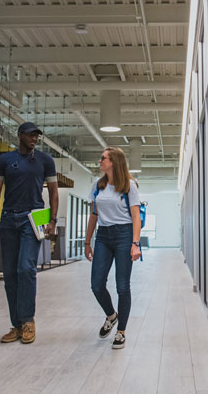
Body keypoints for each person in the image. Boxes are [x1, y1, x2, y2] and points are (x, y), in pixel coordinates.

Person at [0, 122, 58, 345]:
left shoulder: (46, 160)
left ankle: (28, 321)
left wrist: (52, 220)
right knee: (10, 273)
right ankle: (16, 325)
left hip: (33, 218)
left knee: (26, 268)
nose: (34, 138)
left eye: (37, 136)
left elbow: (54, 193)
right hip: (8, 218)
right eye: (30, 135)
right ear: (19, 136)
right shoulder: (6, 160)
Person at [84, 147, 142, 349]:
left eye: (103, 158)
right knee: (96, 284)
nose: (99, 161)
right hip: (103, 236)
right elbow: (94, 215)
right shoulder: (97, 186)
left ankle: (121, 331)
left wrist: (135, 243)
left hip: (124, 235)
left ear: (114, 162)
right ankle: (111, 315)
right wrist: (87, 241)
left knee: (122, 285)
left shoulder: (129, 186)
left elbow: (135, 216)